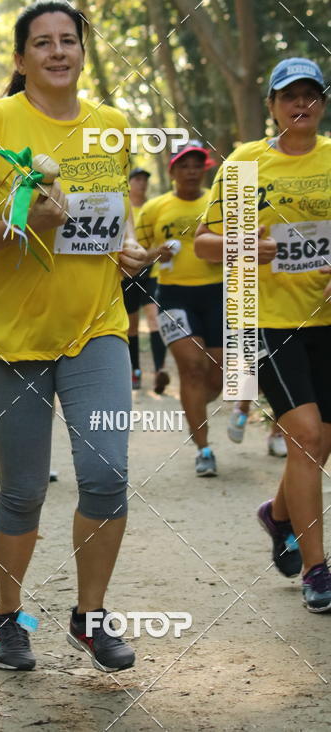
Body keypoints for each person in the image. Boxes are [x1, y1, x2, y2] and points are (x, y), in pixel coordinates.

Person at [0, 0, 146, 673]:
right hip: (12, 338)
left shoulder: (113, 127)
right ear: (21, 57)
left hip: (97, 328)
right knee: (24, 490)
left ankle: (90, 617)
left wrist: (127, 248)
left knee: (107, 474)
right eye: (43, 42)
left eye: (69, 40)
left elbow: (108, 224)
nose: (58, 51)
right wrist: (23, 224)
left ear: (83, 52)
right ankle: (10, 617)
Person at [196, 57, 331, 612]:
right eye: (288, 96)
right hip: (267, 318)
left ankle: (278, 517)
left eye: (310, 94)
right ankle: (317, 570)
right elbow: (204, 242)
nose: (301, 104)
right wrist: (245, 245)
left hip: (326, 319)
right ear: (272, 106)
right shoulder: (246, 163)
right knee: (306, 434)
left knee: (318, 442)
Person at [135, 142, 223, 477]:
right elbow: (137, 255)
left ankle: (194, 402)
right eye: (184, 166)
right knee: (191, 368)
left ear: (205, 170)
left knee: (216, 377)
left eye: (197, 165)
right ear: (172, 171)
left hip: (217, 294)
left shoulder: (217, 203)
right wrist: (154, 254)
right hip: (173, 295)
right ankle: (204, 449)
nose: (191, 171)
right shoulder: (154, 209)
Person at [121, 167, 168, 393]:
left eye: (145, 180)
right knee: (131, 325)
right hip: (128, 272)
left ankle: (160, 371)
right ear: (128, 183)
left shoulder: (153, 208)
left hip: (151, 270)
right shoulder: (123, 207)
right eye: (137, 179)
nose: (142, 183)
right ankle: (135, 371)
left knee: (154, 319)